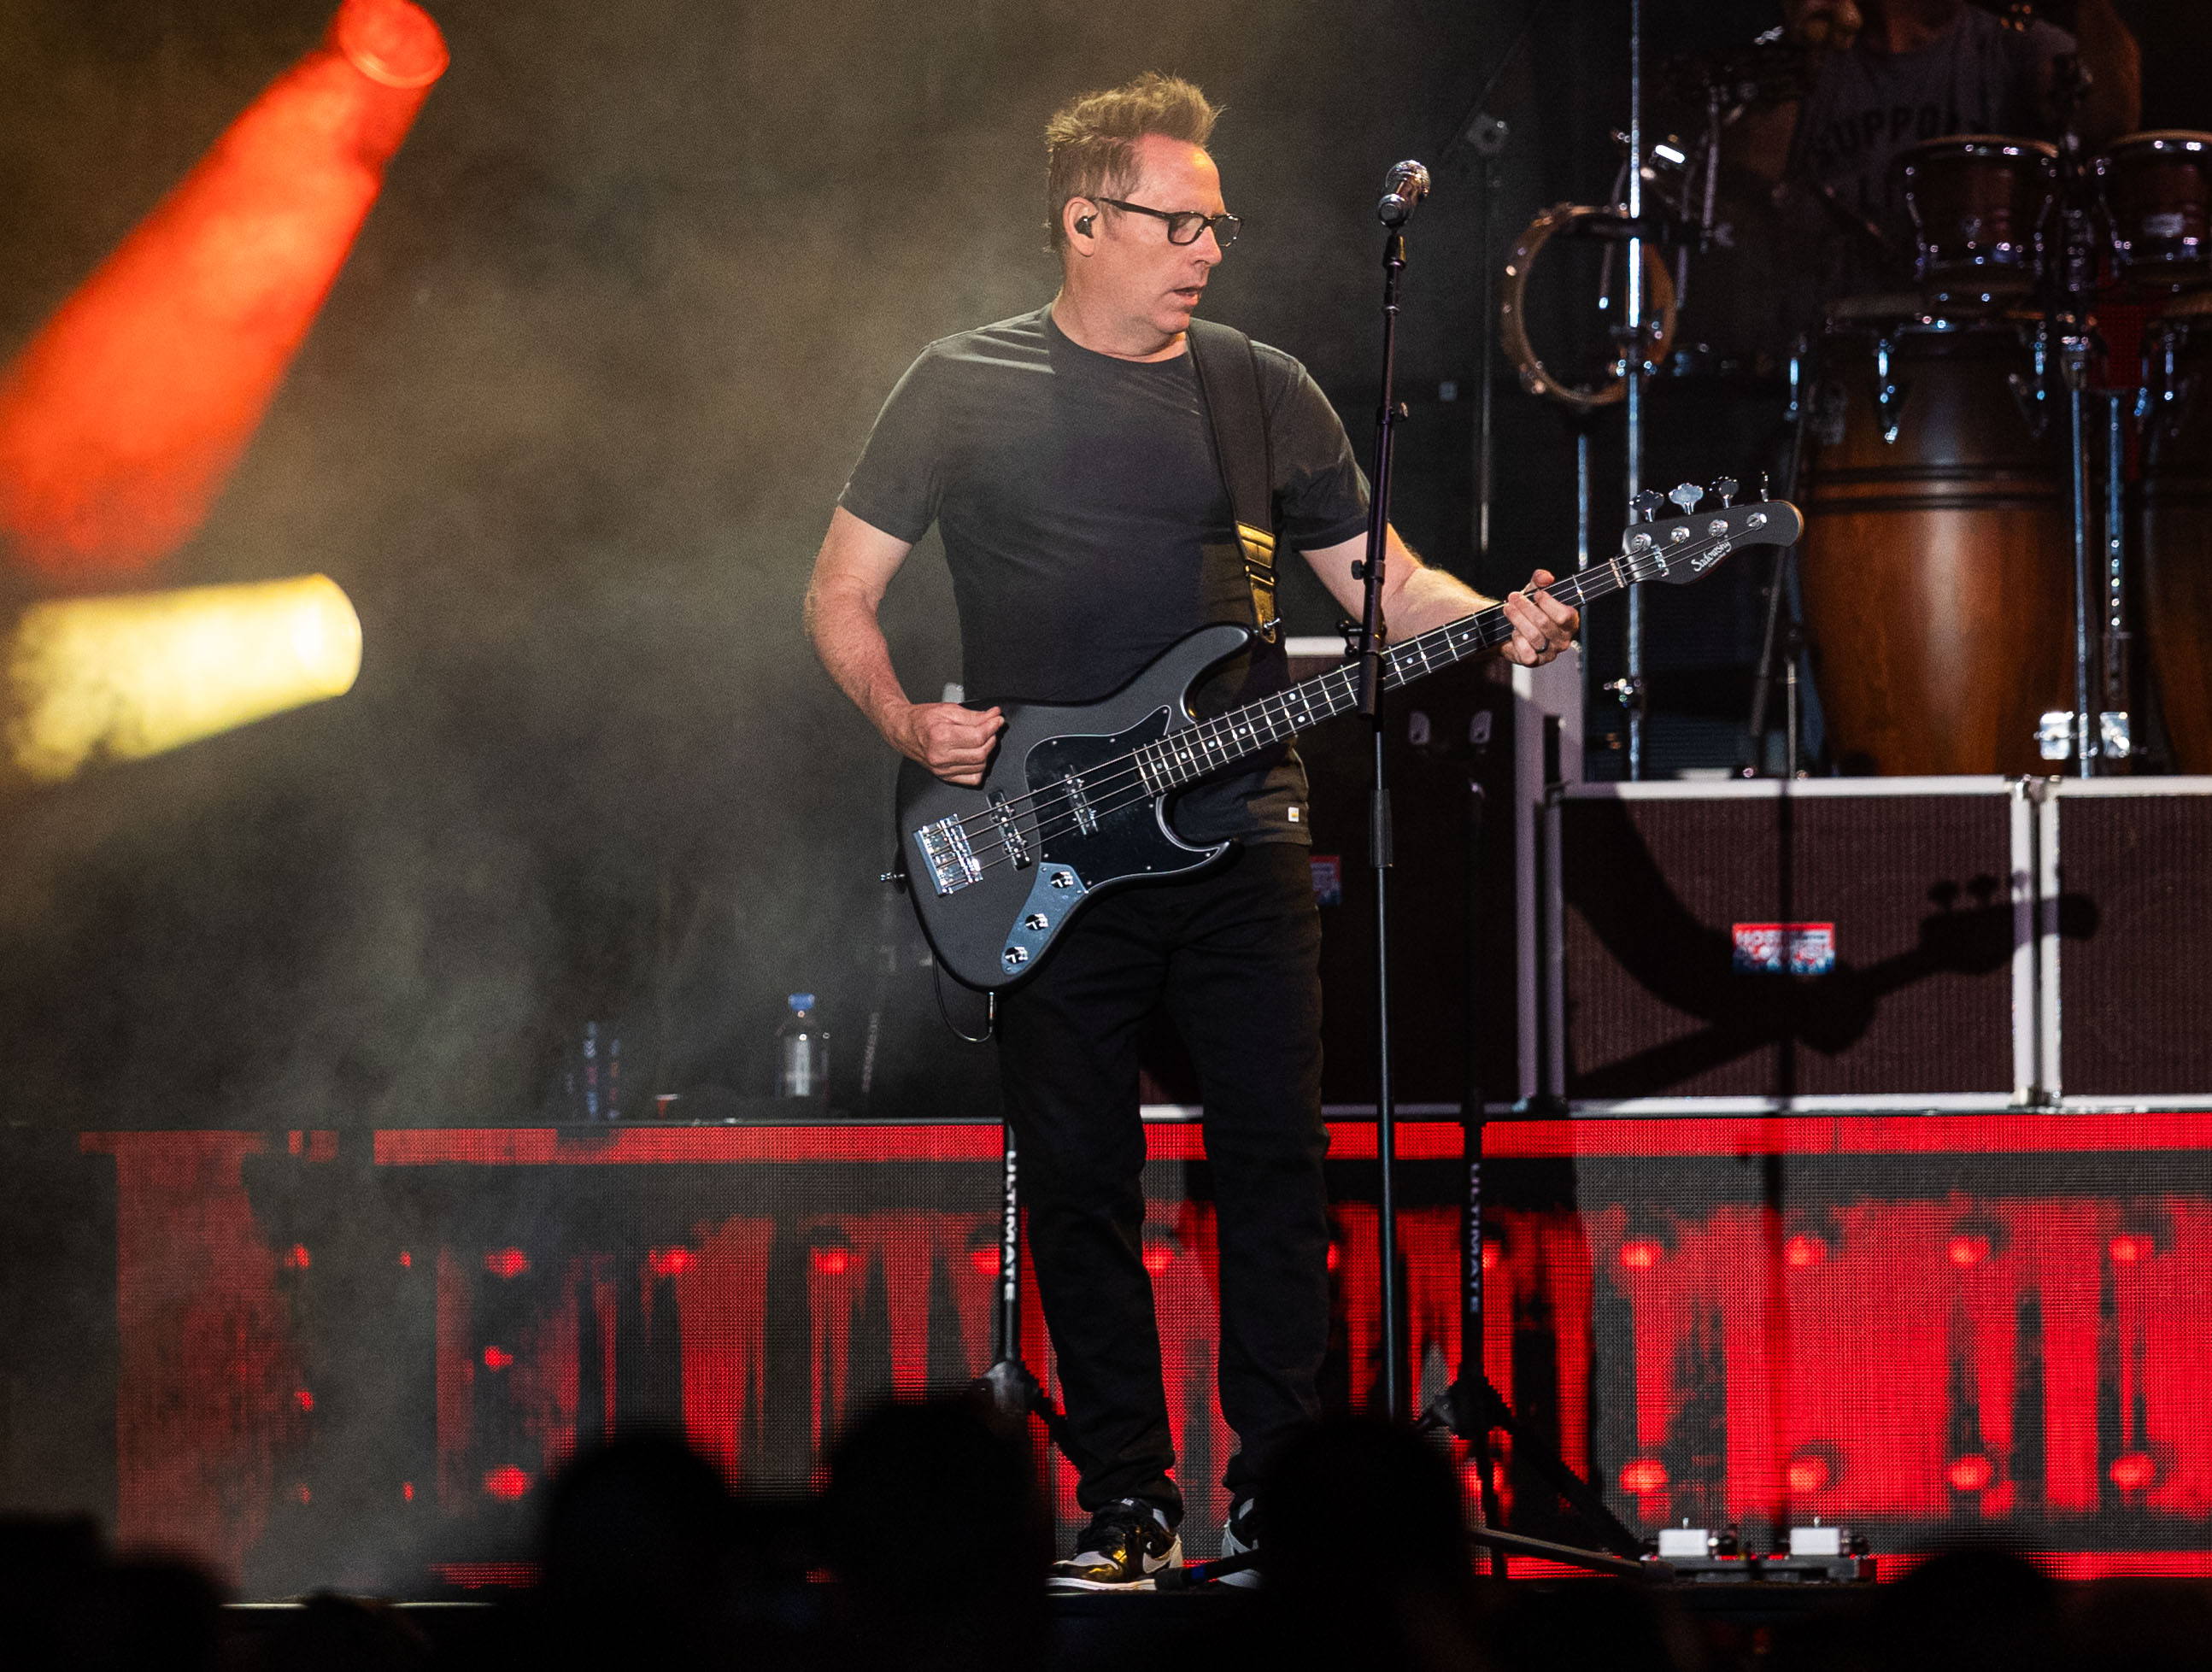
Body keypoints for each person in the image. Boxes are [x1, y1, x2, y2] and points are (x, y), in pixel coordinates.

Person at [804, 72, 1576, 1591]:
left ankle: (1283, 1488)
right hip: (1037, 839)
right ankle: (1125, 1498)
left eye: (1218, 223)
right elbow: (837, 593)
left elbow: (1381, 586)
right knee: (1081, 1176)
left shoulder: (1256, 387)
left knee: (1274, 1165)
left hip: (1240, 830)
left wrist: (1499, 621)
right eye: (1177, 220)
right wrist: (910, 725)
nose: (1207, 248)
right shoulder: (958, 381)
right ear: (1083, 222)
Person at [1734, 0, 2140, 299]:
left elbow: (2110, 118)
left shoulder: (2007, 41)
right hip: (1831, 346)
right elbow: (1740, 188)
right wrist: (1790, 56)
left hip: (1972, 347)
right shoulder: (1818, 51)